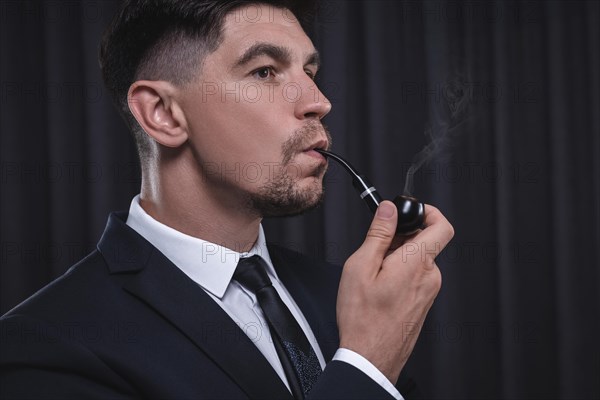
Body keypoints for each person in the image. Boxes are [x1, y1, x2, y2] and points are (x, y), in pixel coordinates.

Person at [0, 1, 454, 399]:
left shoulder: (345, 294)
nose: (319, 101)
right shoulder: (48, 344)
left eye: (310, 73)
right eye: (265, 71)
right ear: (163, 114)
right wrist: (366, 365)